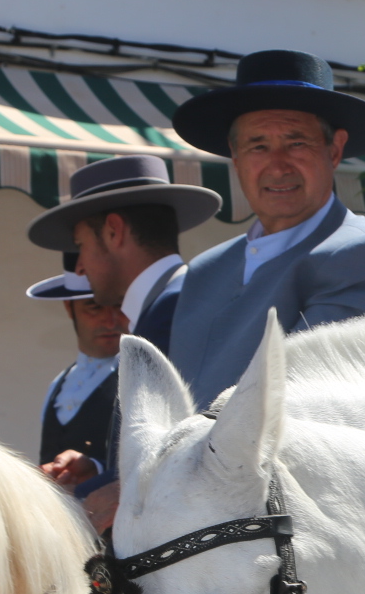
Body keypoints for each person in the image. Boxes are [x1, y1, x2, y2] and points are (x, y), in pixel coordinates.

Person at [167, 48, 365, 409]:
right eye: (258, 146)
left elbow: (305, 408)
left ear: (334, 150)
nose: (278, 165)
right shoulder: (206, 270)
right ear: (235, 155)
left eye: (296, 143)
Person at [27, 155, 222, 515]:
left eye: (81, 244)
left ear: (114, 231)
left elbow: (191, 457)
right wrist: (100, 468)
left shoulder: (174, 313)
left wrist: (93, 491)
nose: (80, 266)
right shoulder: (172, 307)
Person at [27, 253, 130, 491]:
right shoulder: (59, 384)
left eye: (119, 306)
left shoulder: (139, 378)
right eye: (94, 307)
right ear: (69, 308)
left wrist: (97, 468)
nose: (110, 319)